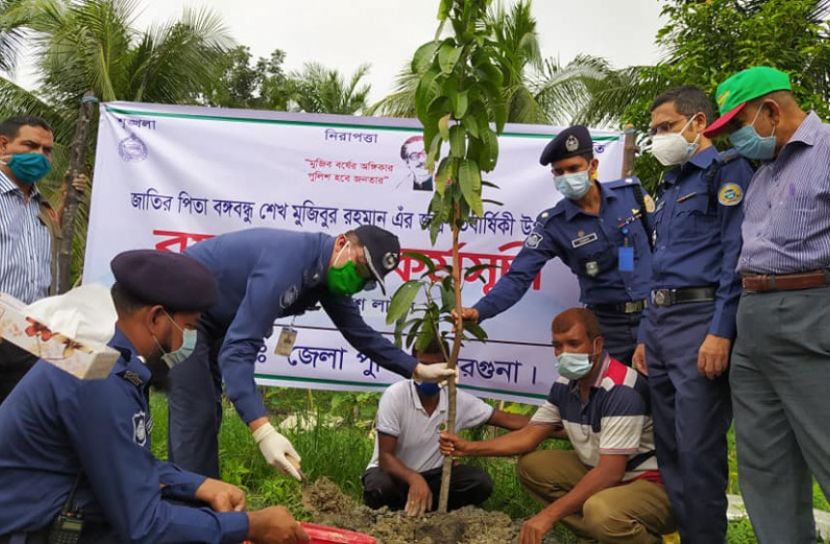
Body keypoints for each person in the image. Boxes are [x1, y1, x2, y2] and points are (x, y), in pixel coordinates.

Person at [0, 249, 308, 544]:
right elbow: (144, 526)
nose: (188, 342)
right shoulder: (97, 380)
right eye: (189, 328)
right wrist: (251, 525)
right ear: (156, 318)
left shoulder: (109, 362)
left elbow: (125, 460)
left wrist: (198, 484)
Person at [169, 225, 456, 480]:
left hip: (214, 319)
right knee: (195, 410)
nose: (357, 279)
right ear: (342, 243)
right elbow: (238, 351)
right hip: (179, 309)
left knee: (207, 411)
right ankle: (186, 512)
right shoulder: (287, 263)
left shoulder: (325, 277)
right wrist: (263, 431)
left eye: (367, 278)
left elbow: (360, 334)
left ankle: (195, 503)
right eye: (359, 266)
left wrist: (416, 369)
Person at [704, 66, 830, 543]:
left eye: (738, 126)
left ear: (771, 111)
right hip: (752, 319)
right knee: (765, 467)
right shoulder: (762, 176)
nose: (735, 141)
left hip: (811, 309)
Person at [631, 85, 755, 543]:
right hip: (661, 326)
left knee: (698, 451)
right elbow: (656, 264)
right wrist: (646, 332)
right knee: (670, 452)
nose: (658, 136)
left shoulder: (726, 171)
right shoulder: (669, 185)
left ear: (698, 123)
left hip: (700, 322)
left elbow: (735, 255)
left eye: (666, 127)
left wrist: (721, 330)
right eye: (654, 130)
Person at [440, 308, 673, 544]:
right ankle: (594, 536)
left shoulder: (621, 389)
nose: (564, 354)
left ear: (597, 345)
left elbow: (610, 472)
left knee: (600, 511)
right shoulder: (566, 384)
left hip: (649, 482)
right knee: (534, 466)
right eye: (558, 346)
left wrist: (547, 516)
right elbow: (529, 436)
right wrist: (468, 447)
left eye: (573, 344)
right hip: (603, 469)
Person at [456, 125, 654, 365]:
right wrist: (479, 311)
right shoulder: (553, 225)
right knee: (609, 398)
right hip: (606, 328)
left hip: (654, 315)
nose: (566, 177)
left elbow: (662, 247)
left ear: (592, 166)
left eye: (573, 168)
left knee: (664, 398)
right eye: (559, 172)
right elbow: (517, 277)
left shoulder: (630, 194)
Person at [362, 338, 528, 516]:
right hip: (394, 475)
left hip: (434, 478)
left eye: (437, 365)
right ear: (413, 366)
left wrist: (551, 426)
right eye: (424, 365)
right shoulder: (395, 395)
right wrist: (414, 479)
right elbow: (386, 458)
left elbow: (505, 419)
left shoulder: (456, 400)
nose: (431, 374)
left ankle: (432, 511)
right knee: (380, 487)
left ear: (448, 366)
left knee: (479, 482)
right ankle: (393, 514)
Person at [0, 115, 88, 404]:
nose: (40, 156)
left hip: (30, 340)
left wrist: (68, 197)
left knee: (15, 430)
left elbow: (49, 245)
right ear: (3, 146)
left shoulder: (42, 205)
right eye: (30, 145)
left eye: (47, 150)